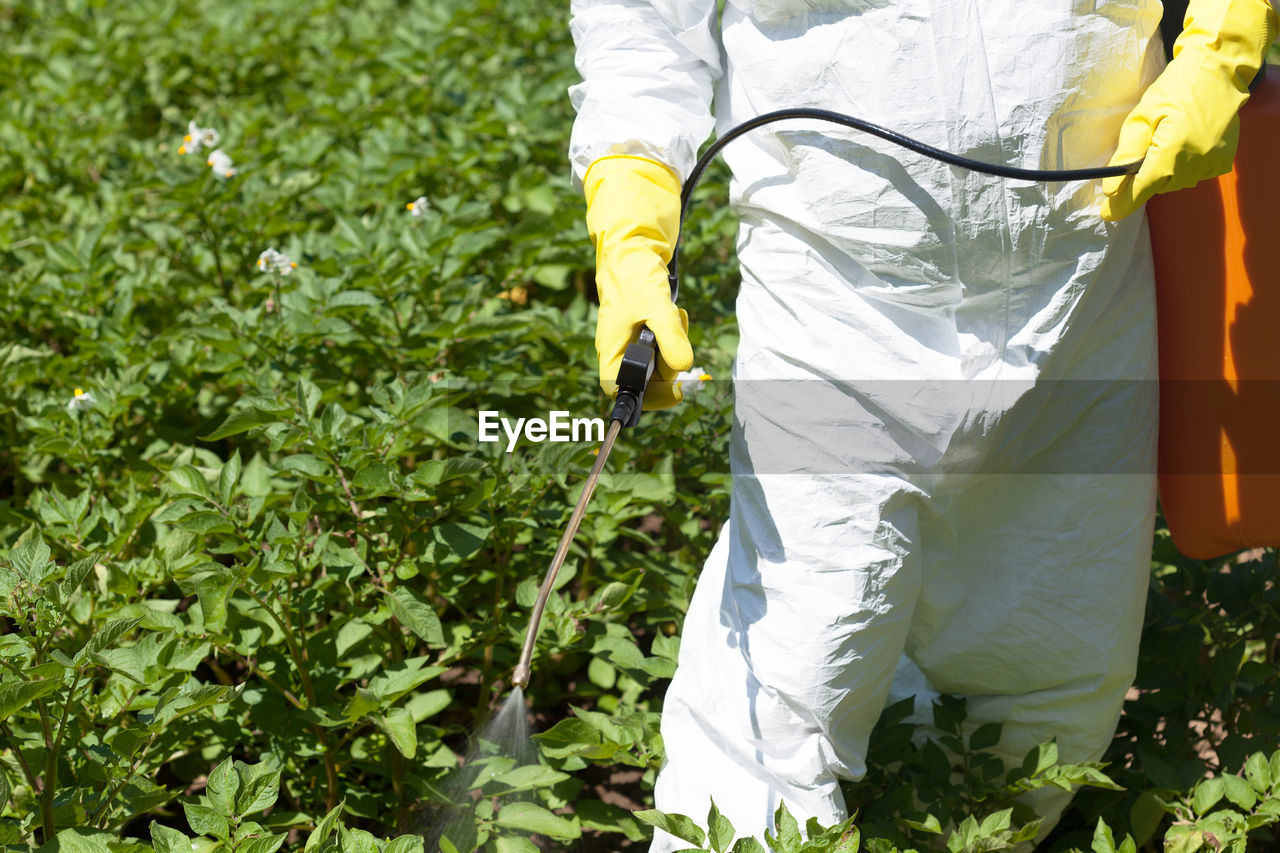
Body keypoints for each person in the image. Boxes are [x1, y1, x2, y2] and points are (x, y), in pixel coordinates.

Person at [567, 0, 1279, 849]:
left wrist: (1223, 38)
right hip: (837, 286)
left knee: (1049, 672)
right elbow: (643, 21)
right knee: (792, 674)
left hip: (1086, 262)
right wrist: (631, 205)